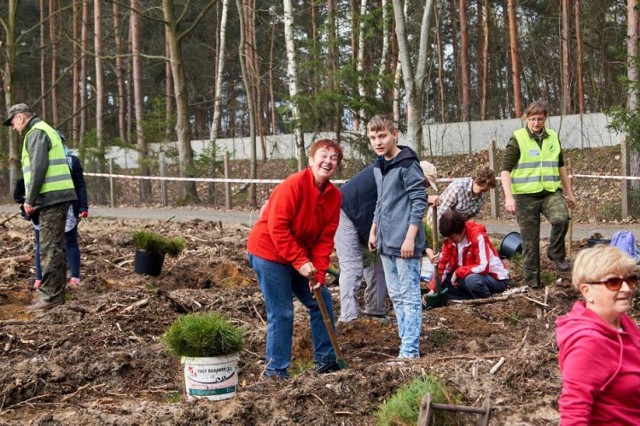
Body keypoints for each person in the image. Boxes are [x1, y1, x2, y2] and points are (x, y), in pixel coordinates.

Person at [247, 139, 344, 379]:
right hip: (269, 252)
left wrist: (319, 274)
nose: (328, 161)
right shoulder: (293, 185)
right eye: (323, 155)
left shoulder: (334, 196)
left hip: (299, 258)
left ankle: (326, 362)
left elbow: (325, 240)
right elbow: (277, 227)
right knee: (283, 312)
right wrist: (300, 262)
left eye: (334, 158)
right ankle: (276, 372)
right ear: (311, 160)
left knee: (321, 300)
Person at [334, 160, 438, 323]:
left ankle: (375, 310)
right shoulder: (394, 174)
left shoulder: (403, 180)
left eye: (426, 186)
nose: (424, 187)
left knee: (378, 264)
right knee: (352, 266)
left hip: (366, 218)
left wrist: (425, 247)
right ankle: (348, 318)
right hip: (344, 211)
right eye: (424, 183)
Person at [4, 103, 77, 310]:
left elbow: (39, 167)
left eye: (13, 123)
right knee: (56, 246)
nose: (14, 128)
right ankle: (56, 294)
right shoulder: (45, 130)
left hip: (50, 198)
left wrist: (30, 200)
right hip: (58, 197)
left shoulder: (36, 133)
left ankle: (50, 298)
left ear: (20, 117)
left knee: (49, 248)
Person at [367, 114, 429, 359]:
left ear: (394, 134)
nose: (378, 142)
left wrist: (411, 237)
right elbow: (381, 201)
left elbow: (419, 200)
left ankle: (410, 350)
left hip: (405, 242)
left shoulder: (407, 164)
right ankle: (405, 343)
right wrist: (374, 228)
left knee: (411, 295)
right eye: (373, 138)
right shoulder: (378, 165)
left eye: (382, 136)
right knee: (396, 296)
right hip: (385, 241)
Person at [556, 245, 640, 424]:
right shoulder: (588, 343)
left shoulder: (623, 321)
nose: (626, 288)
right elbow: (574, 414)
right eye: (613, 282)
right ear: (587, 291)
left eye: (630, 280)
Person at [500, 101, 576, 288]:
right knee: (530, 242)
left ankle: (556, 253)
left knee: (561, 219)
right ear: (526, 119)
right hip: (525, 197)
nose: (536, 123)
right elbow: (505, 170)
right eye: (533, 119)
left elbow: (561, 166)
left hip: (550, 192)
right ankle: (533, 283)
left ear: (545, 119)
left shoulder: (553, 137)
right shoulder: (517, 139)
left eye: (540, 119)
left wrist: (570, 193)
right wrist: (508, 197)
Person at [427, 210, 509, 300]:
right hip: (465, 276)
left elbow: (483, 266)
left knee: (472, 281)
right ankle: (466, 296)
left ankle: (484, 298)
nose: (450, 240)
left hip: (492, 278)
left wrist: (458, 272)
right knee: (435, 277)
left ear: (461, 230)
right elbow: (443, 266)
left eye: (452, 237)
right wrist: (432, 290)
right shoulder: (449, 242)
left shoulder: (477, 236)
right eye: (448, 238)